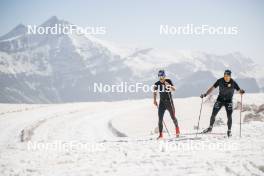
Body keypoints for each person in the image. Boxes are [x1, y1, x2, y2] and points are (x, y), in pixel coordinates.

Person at [200, 69, 245, 137]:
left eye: (227, 76)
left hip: (228, 101)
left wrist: (241, 91)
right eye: (225, 76)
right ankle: (210, 128)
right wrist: (205, 94)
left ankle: (229, 131)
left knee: (229, 116)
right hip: (220, 100)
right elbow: (212, 88)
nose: (226, 77)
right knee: (213, 114)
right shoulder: (220, 80)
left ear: (230, 76)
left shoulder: (233, 82)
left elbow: (239, 90)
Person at [153, 70, 180, 139]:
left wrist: (169, 86)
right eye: (159, 76)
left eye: (162, 76)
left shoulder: (168, 81)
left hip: (169, 102)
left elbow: (174, 89)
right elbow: (155, 92)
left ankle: (177, 129)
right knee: (160, 119)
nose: (161, 77)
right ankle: (161, 135)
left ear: (164, 76)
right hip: (162, 102)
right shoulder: (157, 83)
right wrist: (154, 100)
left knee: (173, 117)